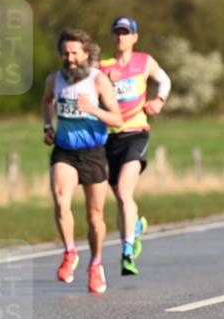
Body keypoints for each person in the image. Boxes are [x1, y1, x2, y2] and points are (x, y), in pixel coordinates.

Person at [42, 28, 123, 294]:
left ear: (86, 54)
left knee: (95, 217)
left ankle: (95, 264)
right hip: (65, 151)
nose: (69, 58)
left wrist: (92, 109)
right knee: (60, 199)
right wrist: (47, 126)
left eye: (74, 52)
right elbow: (47, 101)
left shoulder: (98, 81)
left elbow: (117, 120)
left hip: (93, 153)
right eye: (65, 53)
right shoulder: (55, 80)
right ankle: (69, 253)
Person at [99, 16, 172, 275]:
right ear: (112, 37)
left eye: (125, 33)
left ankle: (127, 251)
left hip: (135, 132)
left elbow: (165, 80)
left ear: (134, 37)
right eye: (117, 33)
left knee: (123, 193)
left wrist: (159, 101)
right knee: (120, 198)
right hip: (108, 137)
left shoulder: (144, 61)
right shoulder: (101, 66)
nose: (121, 37)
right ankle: (135, 229)